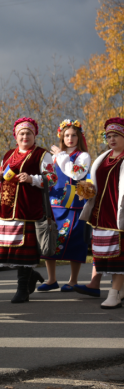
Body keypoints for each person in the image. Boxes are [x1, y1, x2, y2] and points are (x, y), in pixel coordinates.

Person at [0, 117, 57, 303]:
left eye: (28, 133)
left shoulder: (42, 155)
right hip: (7, 209)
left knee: (23, 251)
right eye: (21, 133)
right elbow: (1, 181)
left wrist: (32, 179)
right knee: (10, 251)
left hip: (28, 208)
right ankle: (30, 276)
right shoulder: (8, 155)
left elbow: (52, 179)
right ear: (16, 136)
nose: (25, 136)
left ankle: (22, 288)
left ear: (34, 135)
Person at [39, 120, 91, 292]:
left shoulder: (83, 156)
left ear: (79, 137)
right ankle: (51, 279)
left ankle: (73, 280)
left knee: (75, 241)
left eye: (74, 135)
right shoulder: (54, 155)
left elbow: (76, 173)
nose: (70, 138)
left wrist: (62, 156)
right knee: (50, 239)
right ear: (61, 136)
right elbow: (47, 177)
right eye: (66, 135)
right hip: (54, 203)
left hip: (74, 205)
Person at [79, 117, 124, 308]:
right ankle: (119, 291)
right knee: (103, 255)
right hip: (101, 213)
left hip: (118, 214)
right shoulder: (103, 157)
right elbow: (95, 182)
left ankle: (114, 294)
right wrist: (86, 189)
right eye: (109, 136)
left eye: (116, 135)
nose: (111, 139)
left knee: (119, 256)